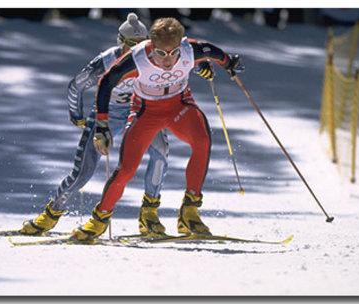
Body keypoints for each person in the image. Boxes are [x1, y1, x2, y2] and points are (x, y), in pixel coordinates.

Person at [19, 13, 214, 236]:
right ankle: (51, 214)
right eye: (130, 45)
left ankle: (149, 213)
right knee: (84, 171)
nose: (136, 51)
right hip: (109, 115)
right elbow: (76, 87)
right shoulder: (107, 61)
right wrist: (77, 116)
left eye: (141, 45)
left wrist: (202, 66)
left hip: (140, 112)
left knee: (160, 153)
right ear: (120, 41)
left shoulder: (154, 55)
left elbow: (182, 61)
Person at [71, 17, 244, 241]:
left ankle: (189, 211)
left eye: (174, 52)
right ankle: (99, 219)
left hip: (179, 106)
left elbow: (213, 52)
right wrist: (102, 124)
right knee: (126, 169)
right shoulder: (138, 57)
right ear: (152, 45)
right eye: (161, 53)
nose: (168, 59)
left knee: (202, 141)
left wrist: (229, 63)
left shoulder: (190, 50)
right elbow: (106, 82)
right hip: (146, 112)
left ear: (180, 45)